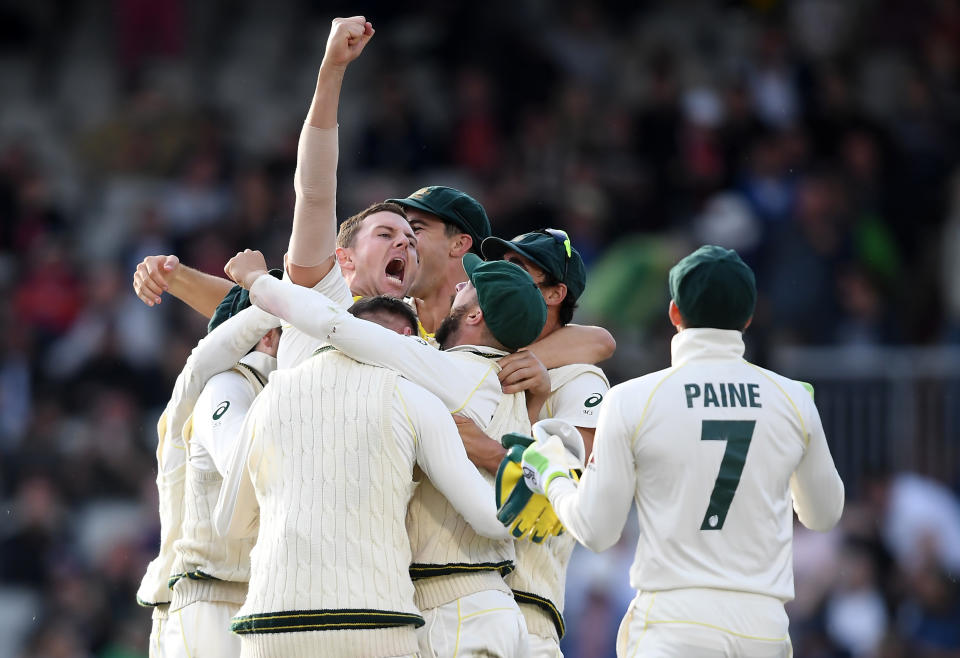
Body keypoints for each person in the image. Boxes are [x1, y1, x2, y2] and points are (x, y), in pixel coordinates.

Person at [522, 245, 845, 657]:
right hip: (763, 632)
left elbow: (597, 530)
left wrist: (550, 470)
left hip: (672, 627)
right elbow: (823, 515)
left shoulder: (631, 399)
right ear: (747, 318)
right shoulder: (793, 399)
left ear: (675, 314)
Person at [224, 247, 549, 657]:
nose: (460, 284)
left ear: (474, 316)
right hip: (491, 606)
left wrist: (257, 280)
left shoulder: (444, 372)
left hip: (453, 612)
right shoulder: (507, 383)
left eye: (471, 288)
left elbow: (334, 325)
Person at [479, 228, 611, 657]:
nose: (502, 278)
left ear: (555, 293)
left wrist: (474, 440)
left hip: (527, 609)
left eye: (519, 270)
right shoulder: (476, 355)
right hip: (459, 602)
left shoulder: (581, 376)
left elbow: (571, 486)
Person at [136, 302, 280, 657]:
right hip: (208, 599)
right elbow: (245, 473)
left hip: (251, 599)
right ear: (266, 335)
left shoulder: (264, 390)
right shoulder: (218, 387)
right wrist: (282, 291)